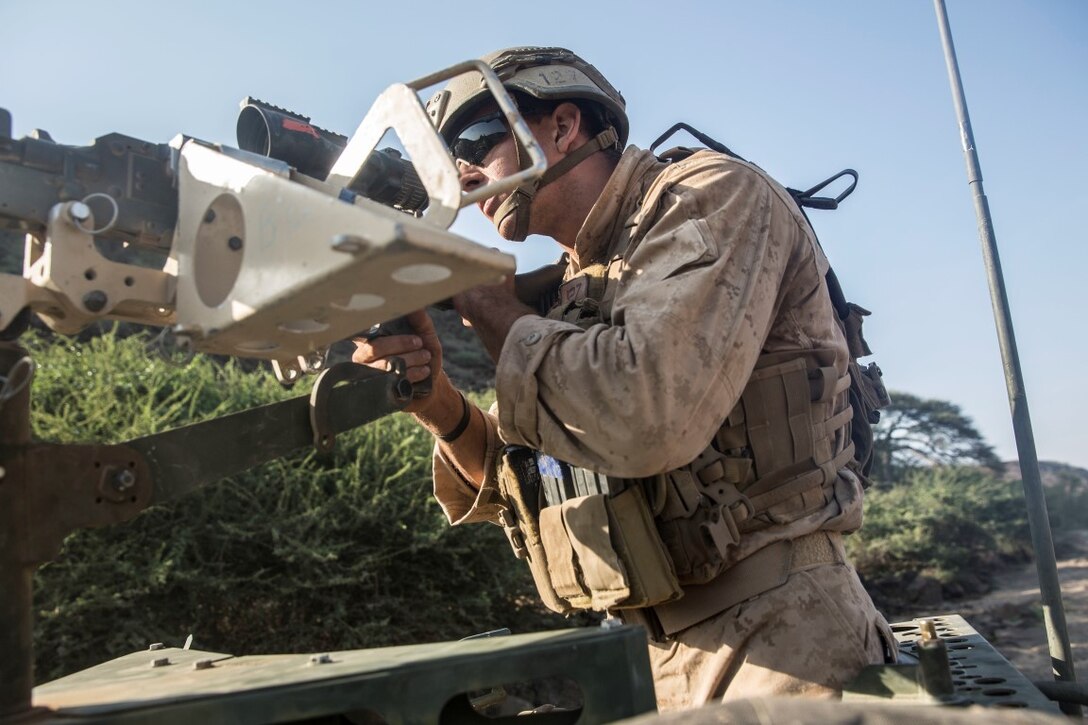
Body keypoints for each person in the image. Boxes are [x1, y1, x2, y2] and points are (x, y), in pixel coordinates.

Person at [353, 46, 894, 711]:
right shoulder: (575, 288)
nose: (462, 174)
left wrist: (491, 307)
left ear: (563, 126)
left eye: (476, 139)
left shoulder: (711, 196)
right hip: (645, 659)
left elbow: (648, 416)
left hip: (780, 644)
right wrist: (438, 403)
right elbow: (534, 481)